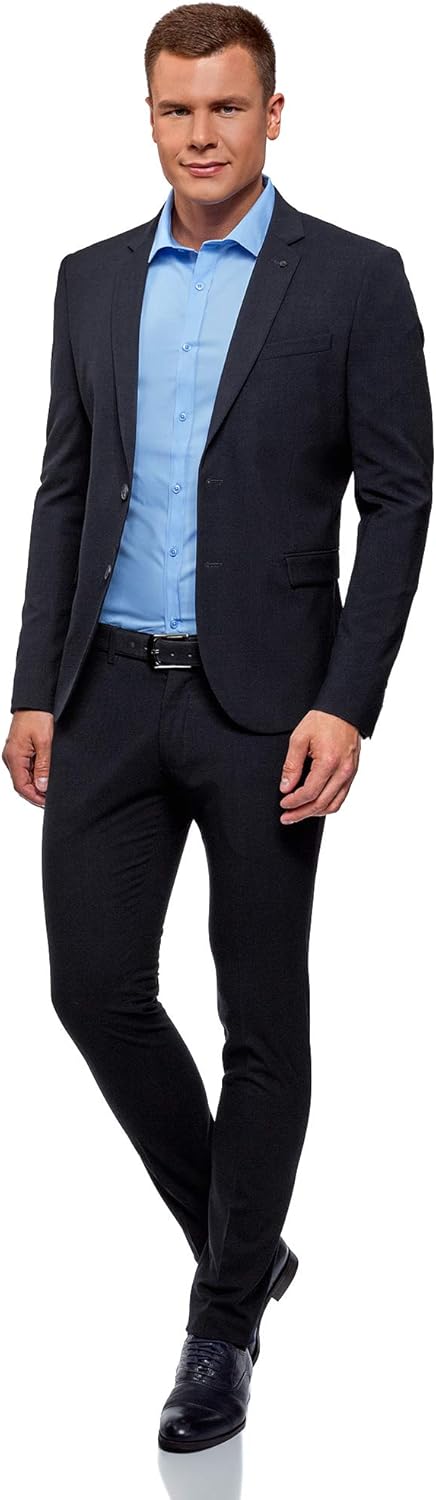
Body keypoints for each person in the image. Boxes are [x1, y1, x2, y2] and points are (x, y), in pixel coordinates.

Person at [3, 2, 433, 1457]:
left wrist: (347, 700)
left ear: (274, 113)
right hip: (108, 691)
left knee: (263, 1019)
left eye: (228, 107)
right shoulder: (88, 279)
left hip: (271, 711)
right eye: (177, 109)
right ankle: (246, 1244)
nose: (203, 134)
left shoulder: (356, 279)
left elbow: (401, 499)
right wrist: (35, 685)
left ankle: (220, 1323)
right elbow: (65, 489)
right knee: (92, 990)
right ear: (149, 117)